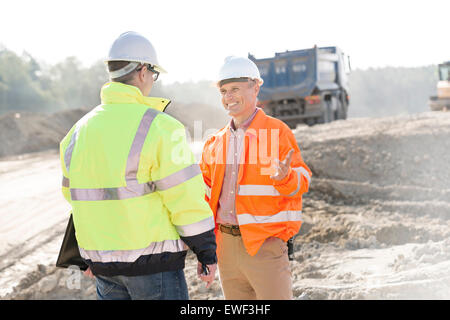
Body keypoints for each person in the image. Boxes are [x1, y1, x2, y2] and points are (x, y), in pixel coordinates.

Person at [60, 31, 217, 300]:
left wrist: (86, 255)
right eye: (154, 75)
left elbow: (75, 198)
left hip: (103, 269)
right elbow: (185, 198)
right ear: (143, 71)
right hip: (153, 267)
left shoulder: (77, 132)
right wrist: (206, 251)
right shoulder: (160, 127)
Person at [199, 56, 312, 300]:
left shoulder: (277, 132)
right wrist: (205, 250)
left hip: (264, 245)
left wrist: (286, 177)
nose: (229, 96)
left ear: (255, 87)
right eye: (224, 91)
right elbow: (204, 195)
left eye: (236, 89)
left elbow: (303, 180)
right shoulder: (215, 142)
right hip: (225, 248)